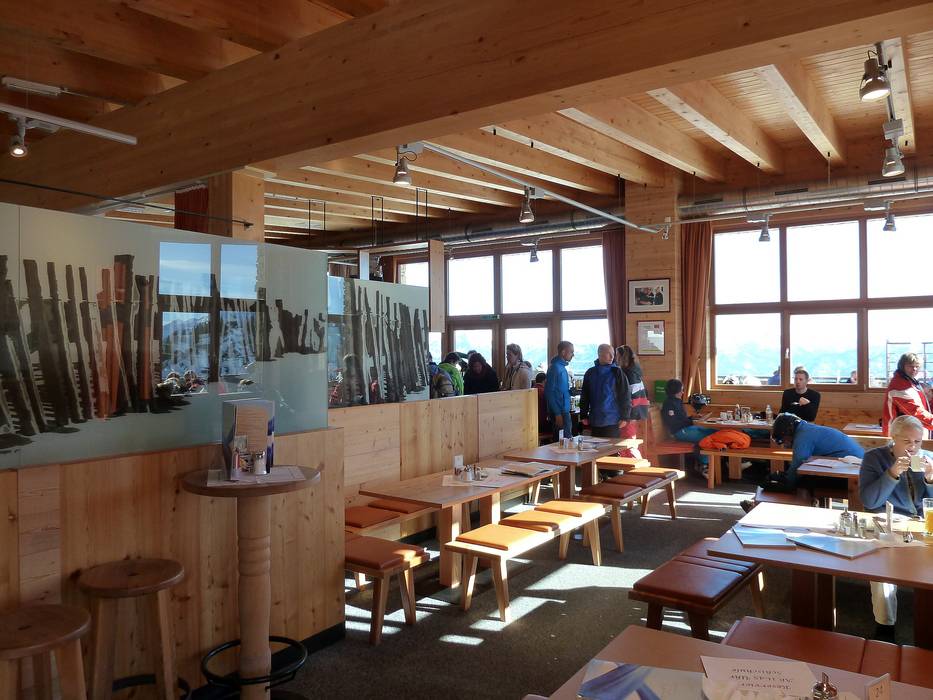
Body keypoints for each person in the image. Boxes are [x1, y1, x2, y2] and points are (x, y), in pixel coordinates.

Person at [859, 415, 933, 641]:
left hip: (921, 523)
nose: (913, 447)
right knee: (882, 569)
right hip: (889, 522)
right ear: (893, 439)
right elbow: (869, 501)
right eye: (907, 441)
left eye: (918, 442)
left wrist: (930, 479)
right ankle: (885, 627)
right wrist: (892, 474)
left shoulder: (928, 459)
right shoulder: (874, 458)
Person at [766, 413, 864, 490]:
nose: (785, 444)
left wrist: (786, 481)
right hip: (856, 466)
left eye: (783, 440)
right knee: (804, 479)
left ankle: (804, 506)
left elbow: (798, 462)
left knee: (803, 484)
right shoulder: (807, 428)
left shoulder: (803, 436)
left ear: (788, 431)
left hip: (854, 474)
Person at [661, 378, 714, 475]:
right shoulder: (669, 404)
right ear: (676, 391)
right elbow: (673, 422)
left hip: (686, 428)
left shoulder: (678, 401)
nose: (682, 392)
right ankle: (704, 465)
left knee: (712, 432)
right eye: (681, 390)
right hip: (679, 432)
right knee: (707, 437)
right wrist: (691, 421)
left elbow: (681, 418)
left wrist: (692, 418)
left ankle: (705, 463)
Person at [579, 344, 631, 438]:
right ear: (600, 354)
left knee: (610, 447)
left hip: (613, 420)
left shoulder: (617, 372)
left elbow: (625, 395)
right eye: (609, 354)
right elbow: (585, 396)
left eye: (613, 354)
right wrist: (583, 415)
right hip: (595, 420)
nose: (612, 357)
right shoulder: (590, 373)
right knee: (596, 446)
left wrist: (625, 417)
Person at [882, 352, 933, 437]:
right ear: (902, 366)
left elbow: (923, 407)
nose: (914, 369)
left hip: (911, 432)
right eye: (910, 366)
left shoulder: (911, 382)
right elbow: (915, 412)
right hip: (899, 435)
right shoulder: (899, 386)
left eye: (917, 366)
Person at [615, 345, 649, 441]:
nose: (615, 358)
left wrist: (627, 417)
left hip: (631, 413)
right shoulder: (634, 370)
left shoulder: (628, 373)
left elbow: (632, 396)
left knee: (627, 440)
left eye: (617, 355)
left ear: (621, 357)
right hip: (636, 411)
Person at [545, 340, 574, 442]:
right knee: (562, 442)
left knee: (567, 440)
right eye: (571, 352)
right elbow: (549, 392)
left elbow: (560, 390)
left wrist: (570, 392)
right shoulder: (555, 368)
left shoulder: (561, 367)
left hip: (564, 409)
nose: (573, 355)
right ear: (563, 352)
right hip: (560, 412)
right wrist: (557, 413)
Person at [534, 372, 550, 436]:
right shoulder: (543, 391)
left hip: (533, 422)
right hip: (542, 423)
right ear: (545, 381)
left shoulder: (531, 390)